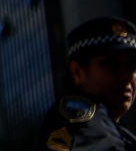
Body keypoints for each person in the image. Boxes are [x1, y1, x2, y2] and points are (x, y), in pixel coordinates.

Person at [34, 17, 136, 150]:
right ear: (77, 72)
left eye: (131, 66)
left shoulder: (111, 130)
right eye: (112, 65)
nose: (126, 77)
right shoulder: (83, 125)